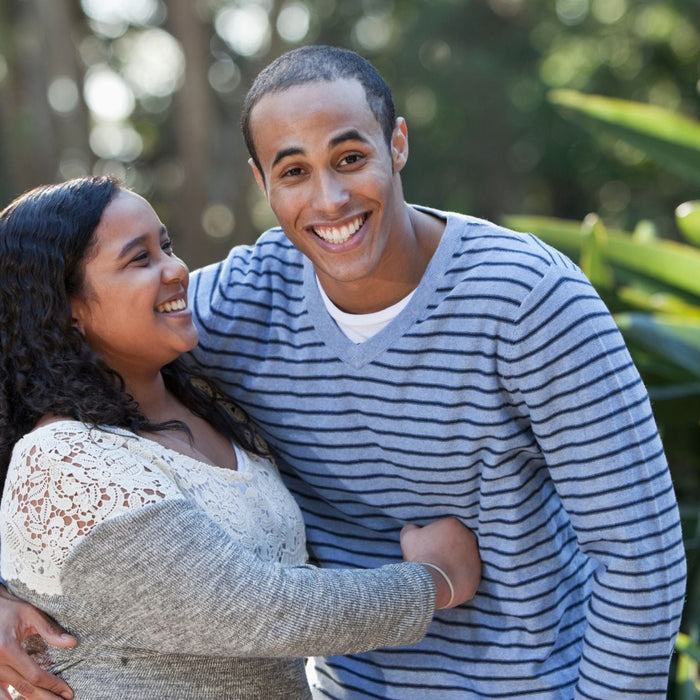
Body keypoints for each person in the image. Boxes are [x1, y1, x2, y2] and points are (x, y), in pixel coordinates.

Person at [0, 43, 688, 698]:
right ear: (262, 180)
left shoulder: (528, 299)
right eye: (295, 171)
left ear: (398, 144)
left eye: (351, 156)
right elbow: (30, 374)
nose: (329, 200)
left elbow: (639, 556)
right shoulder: (234, 304)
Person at [0, 175, 481, 700]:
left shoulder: (213, 405)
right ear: (66, 312)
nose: (178, 269)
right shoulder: (66, 459)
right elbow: (257, 612)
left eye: (167, 245)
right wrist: (435, 580)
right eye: (139, 259)